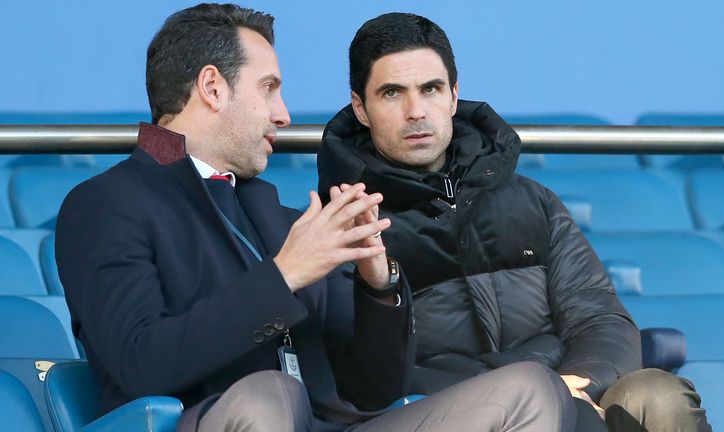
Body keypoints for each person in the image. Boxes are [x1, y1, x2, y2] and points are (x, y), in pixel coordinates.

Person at [56, 4, 577, 432]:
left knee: (529, 389)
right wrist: (285, 274)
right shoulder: (105, 203)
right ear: (213, 88)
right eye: (268, 88)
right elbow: (142, 364)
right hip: (217, 421)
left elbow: (371, 393)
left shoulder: (281, 216)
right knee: (268, 397)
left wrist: (379, 287)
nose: (283, 113)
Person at [318, 12, 712, 432]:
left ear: (453, 96)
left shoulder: (531, 199)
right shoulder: (343, 224)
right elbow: (364, 381)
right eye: (392, 93)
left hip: (568, 383)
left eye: (430, 89)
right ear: (361, 107)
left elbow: (601, 320)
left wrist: (576, 383)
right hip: (452, 410)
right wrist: (535, 392)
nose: (416, 111)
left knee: (657, 394)